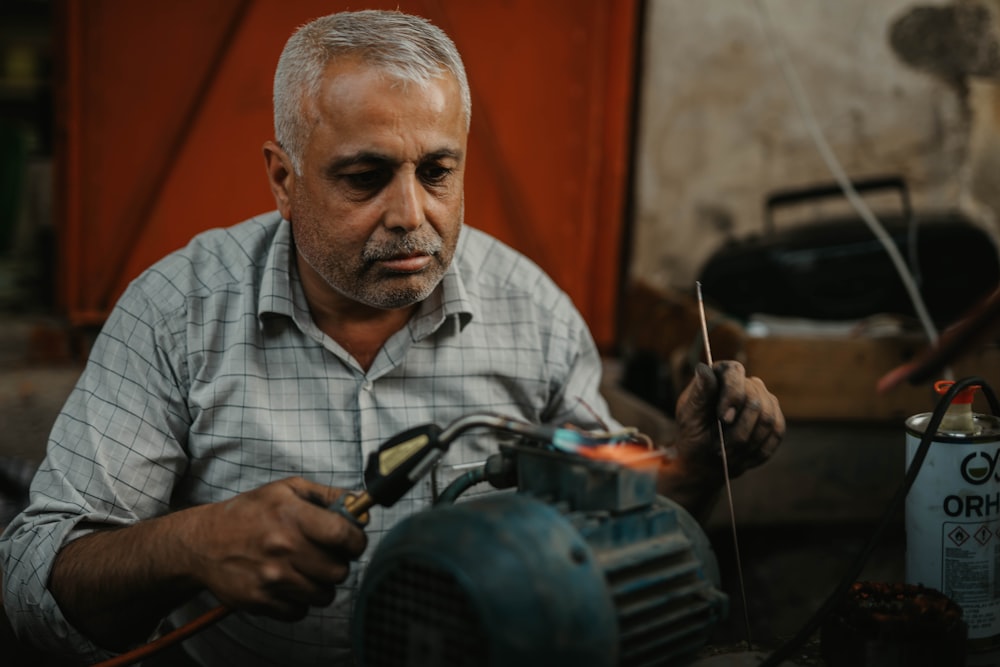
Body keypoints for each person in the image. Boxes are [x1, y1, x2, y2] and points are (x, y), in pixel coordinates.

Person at [0, 9, 785, 666]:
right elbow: (35, 585)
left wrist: (691, 466)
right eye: (365, 176)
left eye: (438, 171)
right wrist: (190, 544)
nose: (412, 214)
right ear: (282, 177)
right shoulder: (178, 310)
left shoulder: (533, 313)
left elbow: (629, 536)